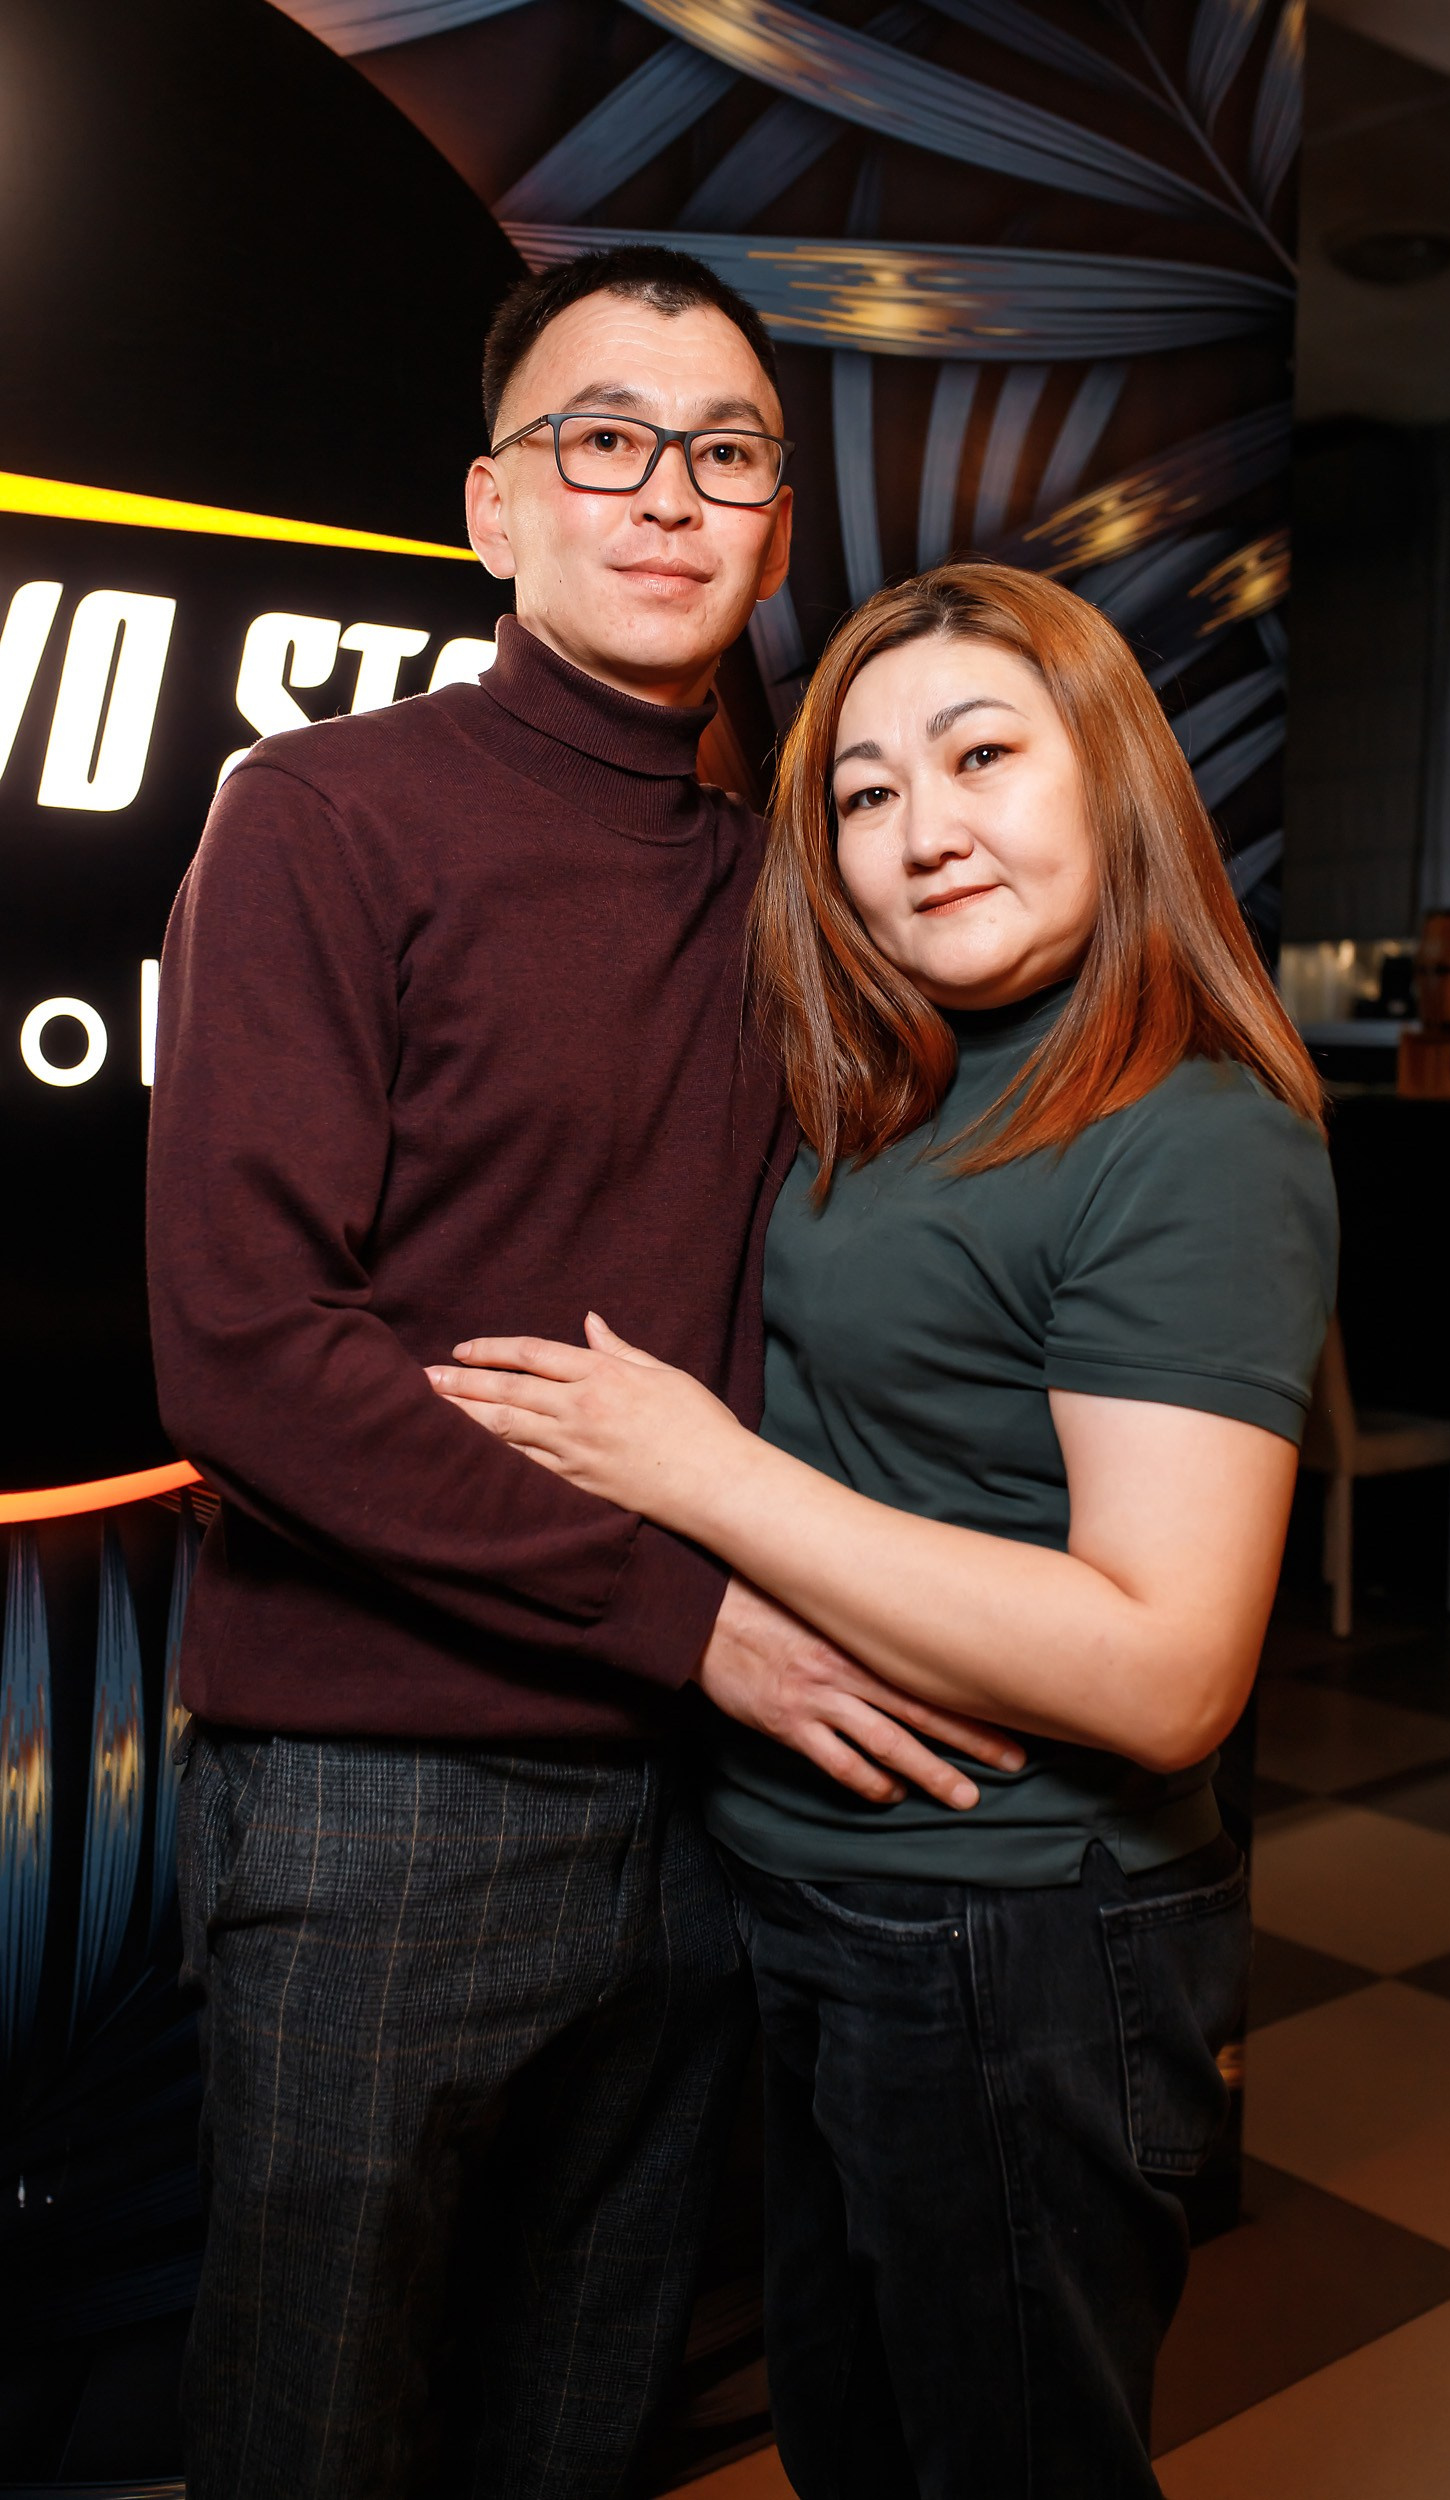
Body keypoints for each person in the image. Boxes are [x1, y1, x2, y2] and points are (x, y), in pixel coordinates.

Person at [146, 250, 1009, 2500]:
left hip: (712, 1813)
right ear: (493, 506)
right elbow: (246, 1352)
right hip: (382, 1787)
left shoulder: (800, 888)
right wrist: (689, 1612)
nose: (666, 492)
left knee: (586, 2426)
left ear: (776, 531)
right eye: (601, 438)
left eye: (725, 452)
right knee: (315, 2434)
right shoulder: (319, 814)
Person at [431, 562, 1340, 2499]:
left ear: (1113, 778)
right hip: (813, 1891)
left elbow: (1169, 1667)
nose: (923, 829)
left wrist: (702, 1474)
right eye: (863, 792)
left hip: (1012, 1926)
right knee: (856, 2450)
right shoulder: (910, 1082)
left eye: (983, 755)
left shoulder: (1194, 1135)